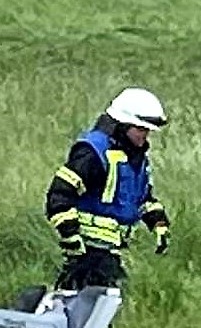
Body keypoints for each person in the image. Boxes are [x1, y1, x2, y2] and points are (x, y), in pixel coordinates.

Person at [44, 86, 169, 291]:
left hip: (111, 252)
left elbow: (142, 198)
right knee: (86, 313)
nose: (144, 137)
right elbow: (60, 195)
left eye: (147, 131)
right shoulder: (93, 152)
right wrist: (70, 237)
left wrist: (158, 223)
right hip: (87, 253)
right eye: (140, 129)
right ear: (122, 125)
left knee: (103, 311)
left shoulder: (135, 157)